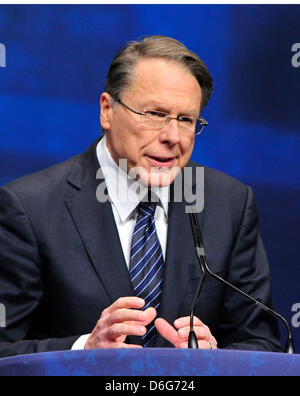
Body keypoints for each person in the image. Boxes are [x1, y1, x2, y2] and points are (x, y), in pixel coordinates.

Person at [0, 35, 282, 358]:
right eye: (154, 114)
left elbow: (263, 346)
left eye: (186, 120)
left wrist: (215, 358)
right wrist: (84, 350)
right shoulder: (29, 209)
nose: (172, 137)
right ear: (107, 110)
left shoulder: (229, 205)